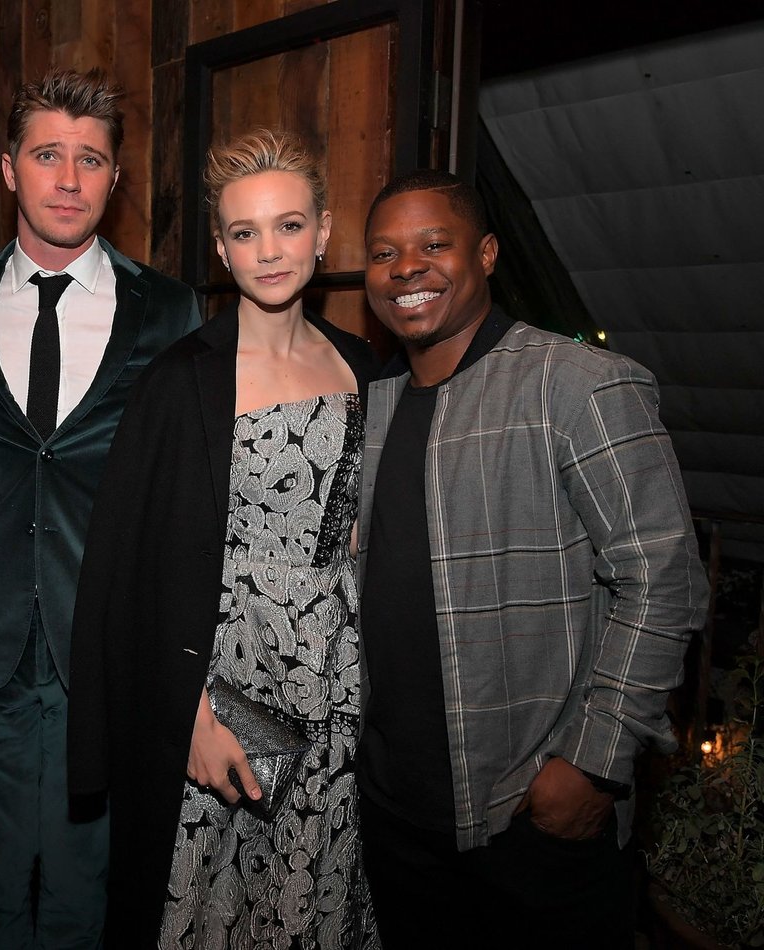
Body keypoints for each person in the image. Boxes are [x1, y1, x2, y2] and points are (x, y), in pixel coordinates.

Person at [354, 169, 708, 948]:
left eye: (433, 245)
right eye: (384, 253)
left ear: (485, 254)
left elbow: (664, 579)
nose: (406, 268)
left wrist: (594, 764)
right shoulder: (371, 407)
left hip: (530, 817)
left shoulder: (577, 384)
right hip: (398, 816)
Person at [68, 129, 382, 949]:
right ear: (220, 248)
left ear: (323, 232)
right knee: (214, 906)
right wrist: (189, 718)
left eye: (289, 226)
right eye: (245, 232)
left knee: (318, 892)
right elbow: (123, 573)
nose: (269, 251)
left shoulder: (365, 367)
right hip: (225, 685)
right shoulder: (181, 379)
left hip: (337, 684)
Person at [0, 67, 200, 948]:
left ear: (116, 179)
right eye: (47, 156)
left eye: (91, 159)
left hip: (106, 656)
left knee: (88, 898)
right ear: (9, 170)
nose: (69, 180)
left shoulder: (170, 311)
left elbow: (189, 488)